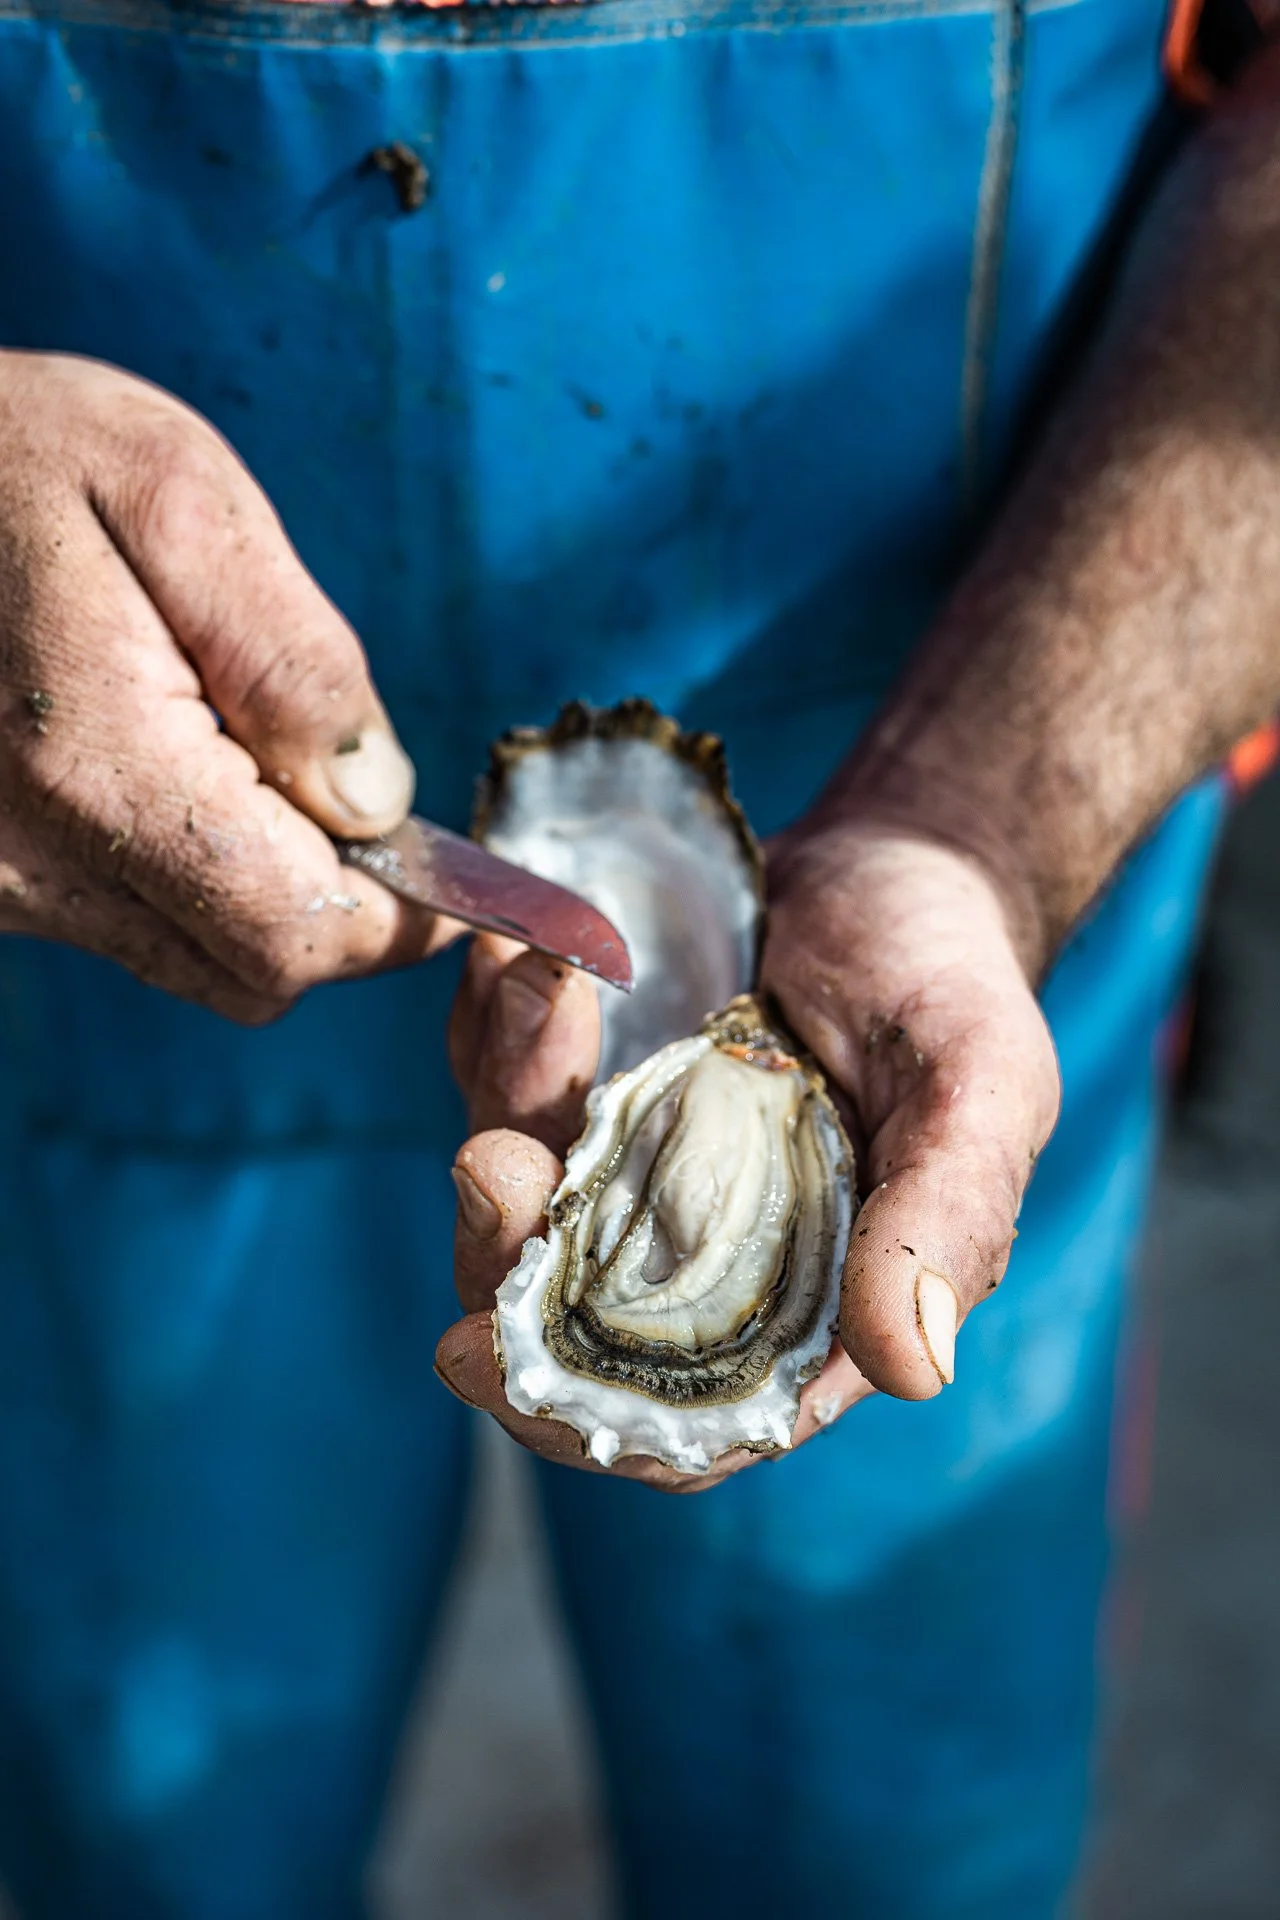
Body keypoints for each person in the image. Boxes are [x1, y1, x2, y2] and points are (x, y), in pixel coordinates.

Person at [0, 0, 1276, 1912]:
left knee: (881, 1824)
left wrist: (985, 820)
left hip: (980, 760)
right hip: (67, 806)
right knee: (139, 1791)